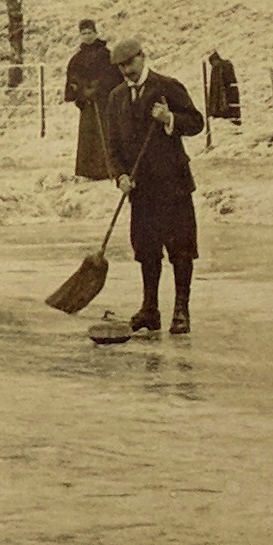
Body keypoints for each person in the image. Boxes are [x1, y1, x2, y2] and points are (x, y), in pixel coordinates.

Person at [100, 35, 206, 334]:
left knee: (181, 249)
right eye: (120, 66)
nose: (126, 70)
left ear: (142, 57)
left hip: (173, 185)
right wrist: (120, 175)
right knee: (146, 250)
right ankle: (150, 310)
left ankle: (181, 311)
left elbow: (196, 122)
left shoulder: (167, 87)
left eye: (130, 63)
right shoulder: (117, 97)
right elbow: (112, 144)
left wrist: (169, 118)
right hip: (140, 189)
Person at [62, 20, 119, 180]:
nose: (87, 36)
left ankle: (109, 168)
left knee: (106, 133)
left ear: (96, 33)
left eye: (89, 33)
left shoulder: (106, 55)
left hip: (104, 102)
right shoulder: (77, 59)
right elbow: (72, 78)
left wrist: (98, 89)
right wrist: (81, 90)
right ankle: (89, 171)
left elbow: (113, 77)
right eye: (84, 33)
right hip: (87, 103)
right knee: (88, 134)